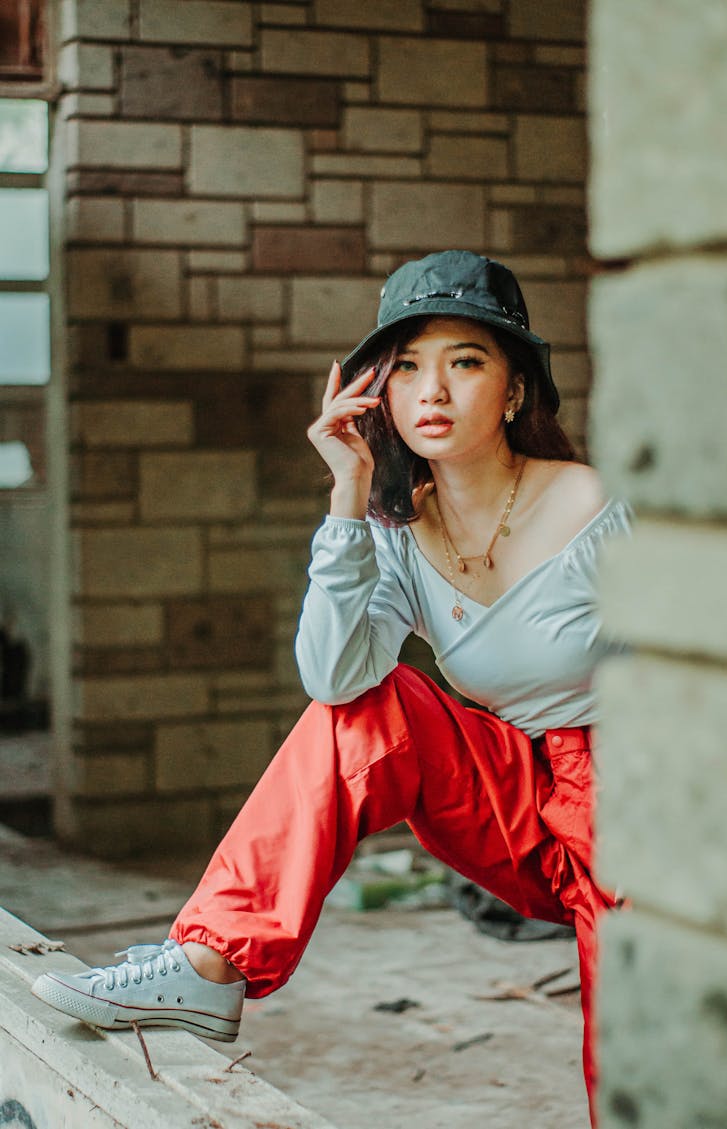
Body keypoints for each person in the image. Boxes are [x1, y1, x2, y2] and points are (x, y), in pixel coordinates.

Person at [32, 250, 629, 1125]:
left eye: (465, 361)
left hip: (643, 802)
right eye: (407, 367)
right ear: (376, 393)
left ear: (513, 391)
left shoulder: (594, 508)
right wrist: (347, 496)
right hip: (516, 795)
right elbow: (337, 679)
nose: (433, 390)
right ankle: (210, 964)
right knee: (370, 707)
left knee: (651, 1066)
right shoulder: (393, 528)